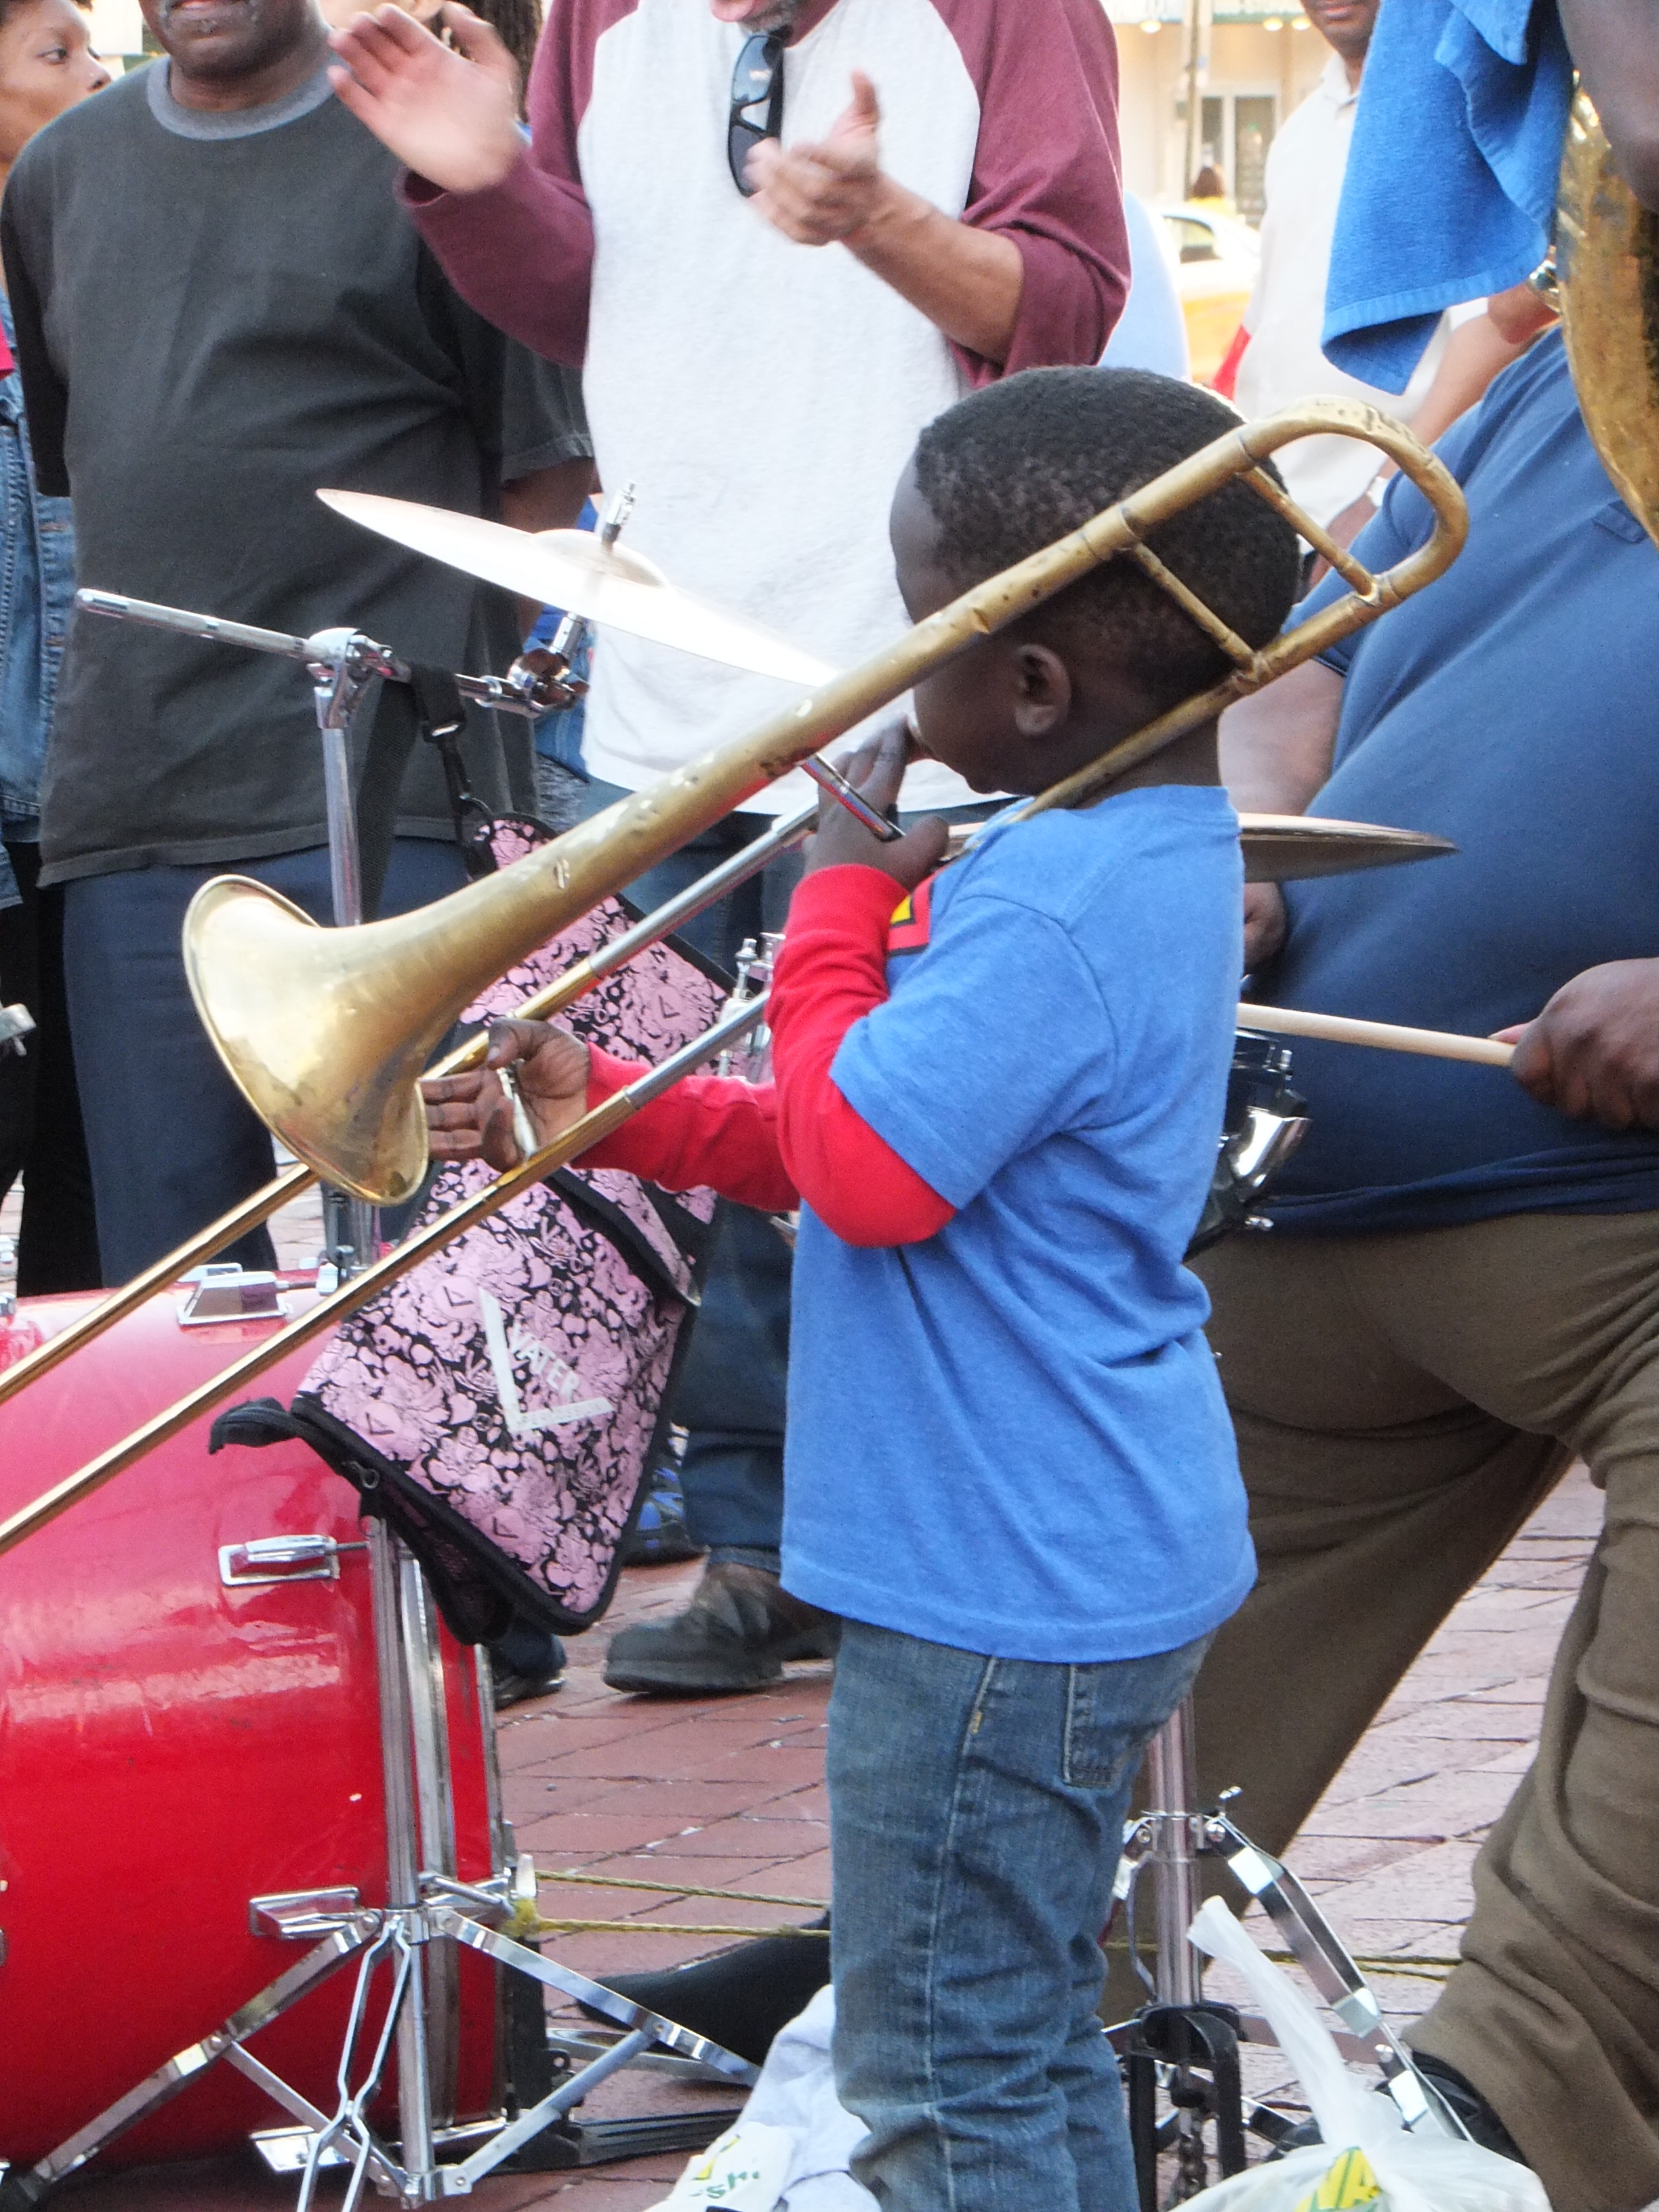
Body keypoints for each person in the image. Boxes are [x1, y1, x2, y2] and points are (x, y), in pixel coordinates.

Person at [422, 364, 1301, 2211]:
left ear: (1033, 685)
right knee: (1019, 2037)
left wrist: (829, 906)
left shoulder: (1051, 900)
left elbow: (867, 1170)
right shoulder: (1115, 852)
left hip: (998, 1578)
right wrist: (616, 1107)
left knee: (931, 2074)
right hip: (1050, 1546)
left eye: (922, 626)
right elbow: (876, 1138)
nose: (889, 672)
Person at [329, 0, 1133, 1694]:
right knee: (677, 1132)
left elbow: (1069, 304)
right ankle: (759, 1542)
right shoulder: (603, 17)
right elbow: (597, 304)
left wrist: (880, 219)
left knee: (880, 1143)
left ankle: (891, 1548)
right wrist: (481, 184)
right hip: (668, 695)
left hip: (925, 692)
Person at [1192, 316, 1659, 2211]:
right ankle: (940, 1999)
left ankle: (1501, 2119)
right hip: (1314, 1179)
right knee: (1103, 1678)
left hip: (1615, 1232)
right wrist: (1242, 840)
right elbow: (1295, 667)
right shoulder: (1567, 359)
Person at [0, 0, 592, 1289]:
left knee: (436, 1288)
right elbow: (97, 479)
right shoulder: (56, 175)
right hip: (135, 812)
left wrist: (445, 696)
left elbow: (545, 488)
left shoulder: (425, 138)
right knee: (178, 1297)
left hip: (397, 798)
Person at [1226, 0, 1532, 540]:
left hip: (1381, 520)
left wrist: (1382, 500)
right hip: (1269, 510)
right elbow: (1265, 332)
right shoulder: (1301, 129)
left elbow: (1496, 329)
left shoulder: (1463, 111)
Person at [0, 0, 104, 1295]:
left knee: (94, 1160)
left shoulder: (90, 257)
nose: (96, 76)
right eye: (55, 52)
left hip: (95, 794)